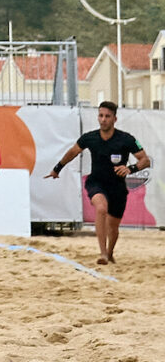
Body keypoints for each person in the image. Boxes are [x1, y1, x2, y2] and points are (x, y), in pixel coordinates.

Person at [48, 100, 151, 265]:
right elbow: (73, 152)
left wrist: (130, 168)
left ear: (114, 119)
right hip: (96, 183)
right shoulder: (90, 138)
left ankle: (110, 253)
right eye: (101, 116)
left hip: (117, 187)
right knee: (101, 208)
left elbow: (145, 160)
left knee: (113, 227)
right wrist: (57, 168)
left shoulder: (126, 139)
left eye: (107, 116)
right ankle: (102, 254)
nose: (103, 119)